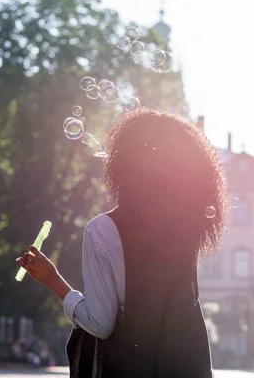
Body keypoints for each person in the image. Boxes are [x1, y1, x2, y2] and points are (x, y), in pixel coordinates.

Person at [16, 108, 227, 377]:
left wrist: (53, 279)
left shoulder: (103, 229)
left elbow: (101, 323)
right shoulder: (185, 230)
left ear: (124, 163)